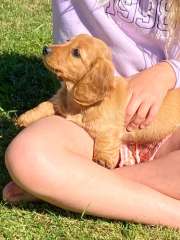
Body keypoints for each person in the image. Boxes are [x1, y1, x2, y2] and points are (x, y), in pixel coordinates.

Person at [2, 0, 180, 228]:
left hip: (168, 125)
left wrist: (169, 72)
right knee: (26, 156)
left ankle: (74, 186)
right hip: (86, 121)